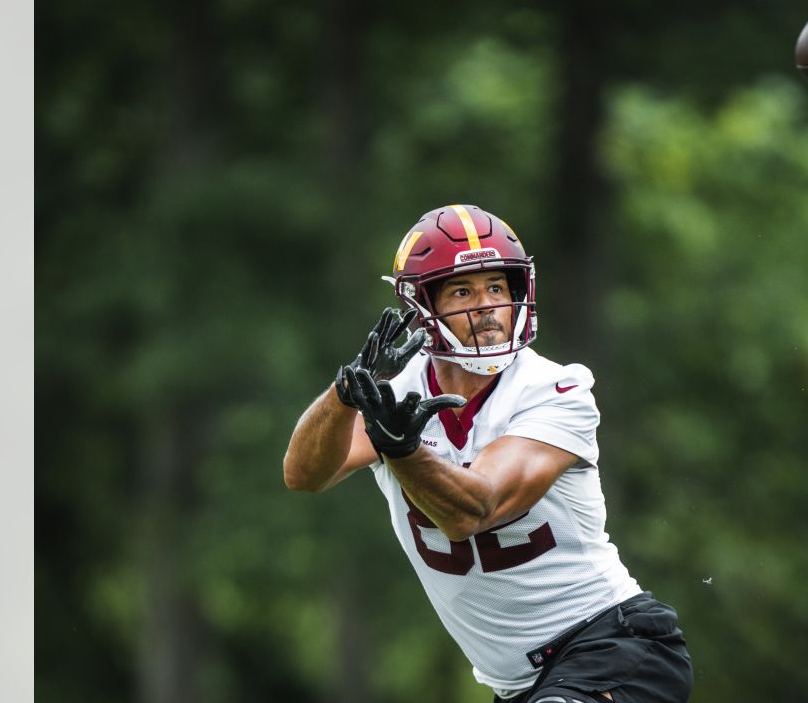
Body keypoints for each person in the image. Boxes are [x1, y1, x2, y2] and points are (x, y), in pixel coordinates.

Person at [283, 204, 693, 702]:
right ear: (420, 305)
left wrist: (403, 449)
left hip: (610, 644)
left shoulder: (556, 388)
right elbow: (304, 473)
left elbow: (473, 511)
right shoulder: (398, 393)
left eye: (497, 287)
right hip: (522, 686)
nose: (487, 307)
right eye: (462, 291)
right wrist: (345, 392)